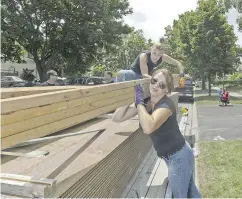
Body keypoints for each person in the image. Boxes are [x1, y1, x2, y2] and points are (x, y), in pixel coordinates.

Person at [112, 69, 201, 198]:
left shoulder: (166, 106)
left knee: (181, 195)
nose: (155, 86)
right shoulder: (147, 103)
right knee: (191, 192)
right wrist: (129, 96)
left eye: (161, 85)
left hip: (179, 158)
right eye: (154, 81)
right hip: (174, 157)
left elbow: (149, 127)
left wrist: (139, 103)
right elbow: (117, 118)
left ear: (167, 90)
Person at [117, 43, 184, 82]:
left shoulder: (163, 57)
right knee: (121, 73)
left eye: (159, 55)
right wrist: (159, 80)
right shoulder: (144, 56)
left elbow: (178, 63)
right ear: (151, 50)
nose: (156, 57)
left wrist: (182, 74)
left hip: (147, 76)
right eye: (154, 53)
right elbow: (144, 75)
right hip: (135, 74)